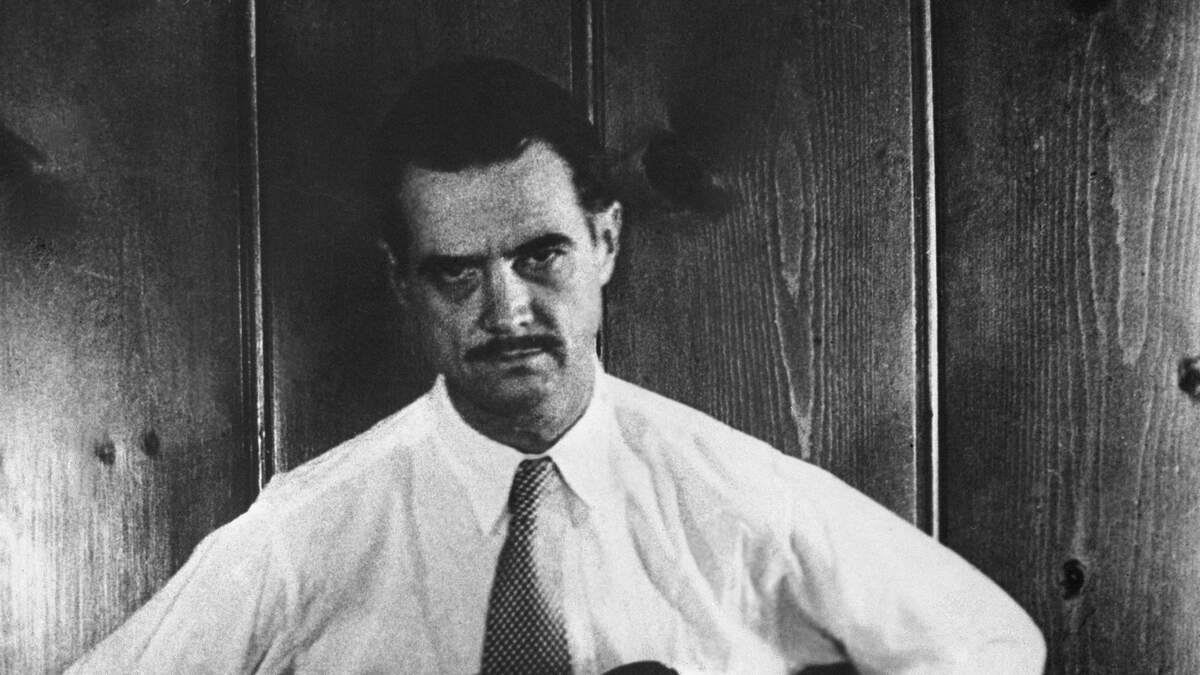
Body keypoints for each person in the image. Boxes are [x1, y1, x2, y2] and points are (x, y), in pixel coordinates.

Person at [69, 57, 1045, 674]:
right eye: (456, 272)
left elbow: (997, 646)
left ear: (605, 241)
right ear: (403, 282)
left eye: (541, 256)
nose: (507, 313)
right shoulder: (303, 537)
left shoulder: (740, 499)